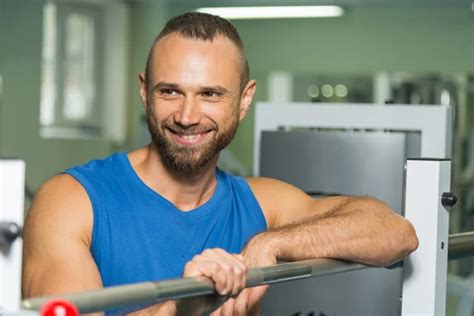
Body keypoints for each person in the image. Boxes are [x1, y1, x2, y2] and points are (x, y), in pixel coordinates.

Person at [22, 12, 418, 315]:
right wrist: (183, 304)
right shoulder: (72, 201)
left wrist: (271, 243)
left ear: (244, 100)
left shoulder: (261, 203)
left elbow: (395, 233)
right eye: (170, 91)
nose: (188, 115)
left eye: (210, 94)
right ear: (145, 92)